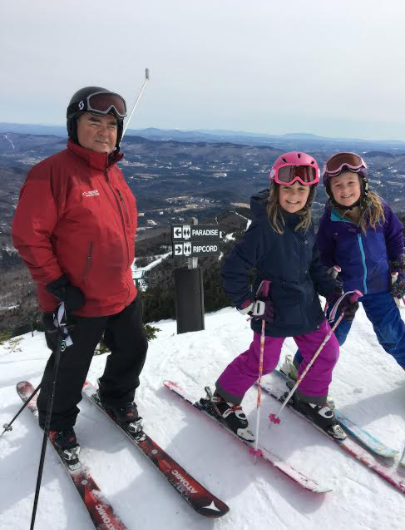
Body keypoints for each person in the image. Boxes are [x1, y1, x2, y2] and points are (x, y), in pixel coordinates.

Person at [12, 87, 148, 455]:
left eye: (111, 125)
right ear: (75, 126)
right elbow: (28, 236)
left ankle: (117, 397)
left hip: (120, 290)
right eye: (94, 122)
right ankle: (56, 421)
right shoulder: (50, 174)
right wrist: (57, 284)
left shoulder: (112, 172)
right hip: (75, 298)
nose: (104, 131)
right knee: (71, 367)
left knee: (133, 348)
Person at [200, 152, 357, 442]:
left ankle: (310, 398)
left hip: (306, 307)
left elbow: (314, 265)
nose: (294, 195)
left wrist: (335, 292)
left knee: (327, 352)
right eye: (287, 189)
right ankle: (223, 398)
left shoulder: (307, 223)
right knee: (263, 362)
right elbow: (234, 269)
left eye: (301, 190)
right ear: (276, 189)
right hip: (272, 310)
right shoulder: (264, 228)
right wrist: (248, 303)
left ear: (309, 194)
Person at [285, 152, 405, 378]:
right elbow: (323, 255)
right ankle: (300, 370)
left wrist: (401, 267)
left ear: (363, 183)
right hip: (345, 290)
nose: (345, 189)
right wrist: (330, 282)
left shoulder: (380, 209)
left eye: (351, 182)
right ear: (330, 191)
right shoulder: (330, 221)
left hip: (380, 285)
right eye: (338, 185)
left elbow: (396, 238)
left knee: (392, 333)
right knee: (331, 336)